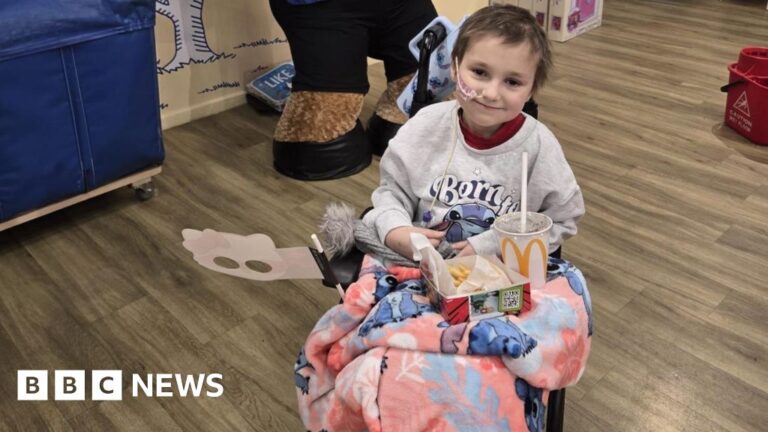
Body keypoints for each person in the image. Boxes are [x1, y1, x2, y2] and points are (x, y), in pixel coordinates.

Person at [362, 4, 584, 261]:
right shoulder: (422, 128)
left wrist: (499, 243)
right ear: (455, 69)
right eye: (479, 72)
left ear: (531, 89)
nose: (490, 93)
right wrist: (395, 229)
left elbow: (561, 220)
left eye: (512, 82)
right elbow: (392, 193)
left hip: (502, 276)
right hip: (420, 264)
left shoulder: (539, 147)